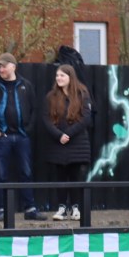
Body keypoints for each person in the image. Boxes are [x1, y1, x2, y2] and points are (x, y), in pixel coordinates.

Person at [0, 53, 42, 221]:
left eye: (4, 66)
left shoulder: (26, 85)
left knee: (26, 172)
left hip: (22, 137)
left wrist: (28, 130)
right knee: (1, 174)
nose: (0, 69)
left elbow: (35, 109)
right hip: (2, 138)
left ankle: (30, 209)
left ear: (13, 67)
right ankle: (2, 209)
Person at [42, 64, 93, 221]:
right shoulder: (51, 96)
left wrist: (68, 134)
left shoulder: (82, 94)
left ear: (70, 77)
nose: (59, 78)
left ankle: (76, 207)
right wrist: (59, 135)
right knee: (60, 176)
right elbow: (46, 119)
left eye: (62, 75)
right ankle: (62, 208)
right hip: (58, 144)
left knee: (76, 175)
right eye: (57, 76)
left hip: (77, 143)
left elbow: (86, 118)